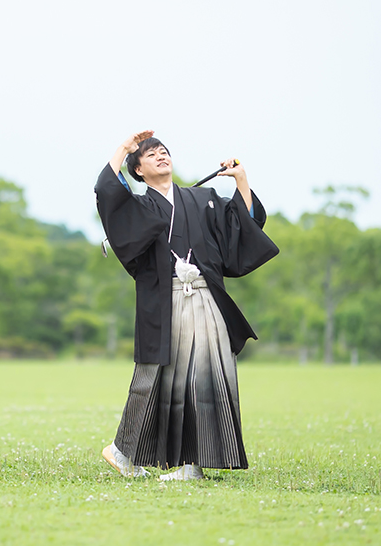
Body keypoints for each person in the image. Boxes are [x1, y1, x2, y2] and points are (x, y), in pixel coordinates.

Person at [95, 130, 278, 481]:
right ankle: (122, 452)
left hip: (204, 296)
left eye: (164, 151)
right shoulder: (139, 206)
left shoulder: (203, 198)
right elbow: (108, 194)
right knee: (153, 377)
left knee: (206, 376)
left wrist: (241, 180)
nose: (161, 156)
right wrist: (124, 148)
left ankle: (193, 464)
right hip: (165, 301)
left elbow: (244, 224)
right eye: (150, 155)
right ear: (137, 172)